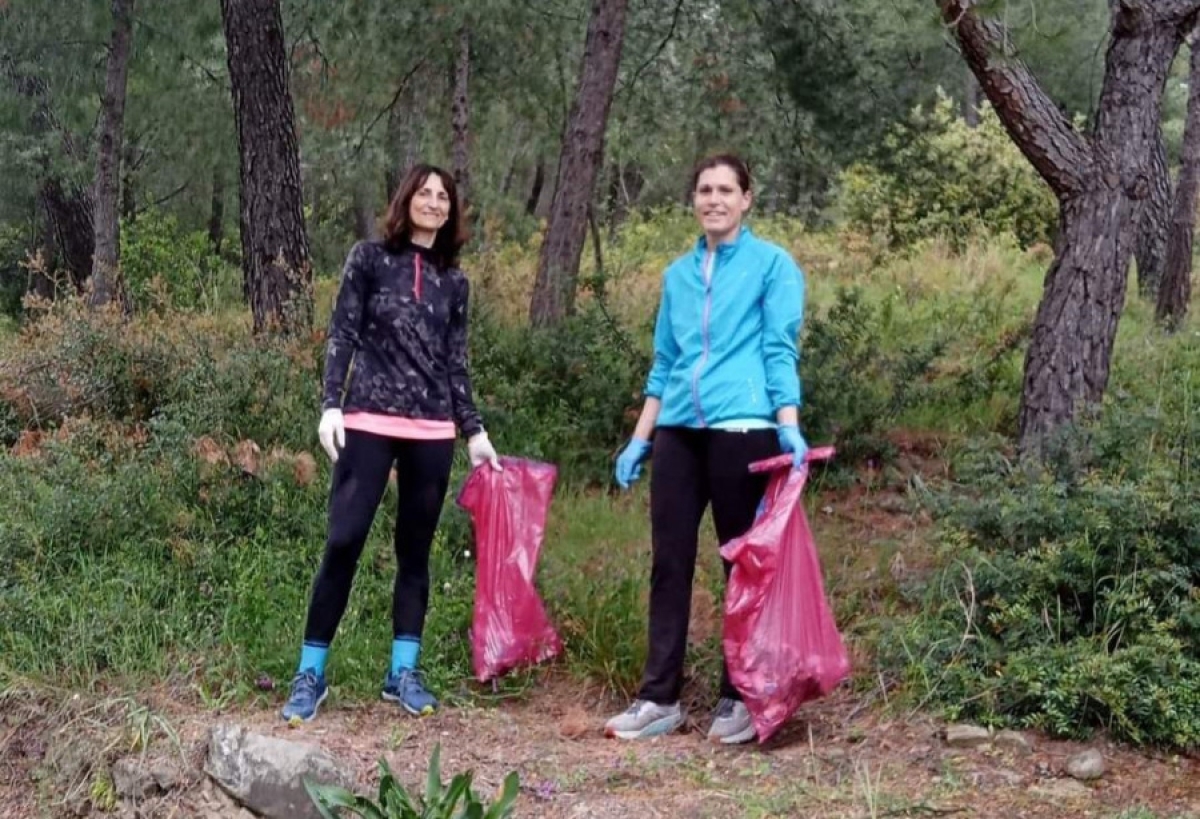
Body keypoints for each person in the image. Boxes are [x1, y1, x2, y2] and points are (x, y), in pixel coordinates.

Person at [281, 164, 501, 723]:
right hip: (369, 422)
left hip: (432, 430)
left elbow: (456, 362)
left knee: (415, 552)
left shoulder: (455, 281)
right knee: (344, 541)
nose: (432, 202)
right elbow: (344, 333)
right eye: (424, 193)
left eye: (442, 196)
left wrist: (472, 429)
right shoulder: (369, 260)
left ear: (451, 210)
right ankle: (311, 673)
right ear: (405, 201)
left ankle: (402, 671)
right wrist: (331, 403)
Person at [604, 153, 808, 745]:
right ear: (693, 201)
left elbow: (779, 349)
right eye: (704, 190)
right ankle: (658, 698)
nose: (714, 199)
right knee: (669, 562)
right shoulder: (678, 276)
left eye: (726, 190)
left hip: (744, 428)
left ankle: (738, 695)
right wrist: (641, 436)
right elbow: (665, 362)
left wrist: (787, 422)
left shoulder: (773, 266)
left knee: (739, 566)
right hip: (679, 431)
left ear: (747, 199)